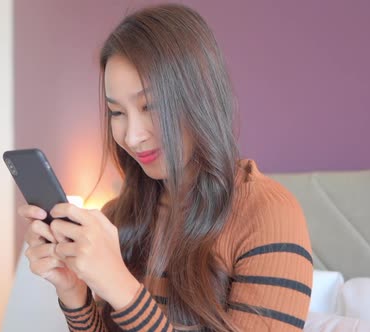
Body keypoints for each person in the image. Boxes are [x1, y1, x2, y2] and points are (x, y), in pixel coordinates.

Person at [18, 3, 312, 331]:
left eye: (151, 106)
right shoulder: (119, 216)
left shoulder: (268, 213)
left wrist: (120, 285)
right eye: (117, 112)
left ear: (201, 98)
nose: (132, 135)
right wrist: (74, 292)